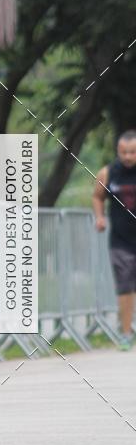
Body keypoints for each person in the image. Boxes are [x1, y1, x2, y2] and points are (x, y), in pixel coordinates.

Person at [94, 131, 136, 349]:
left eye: (132, 152)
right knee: (125, 287)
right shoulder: (108, 173)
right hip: (121, 241)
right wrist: (100, 217)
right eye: (123, 152)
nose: (128, 156)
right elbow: (97, 196)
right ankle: (126, 334)